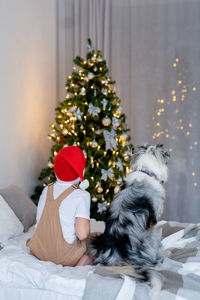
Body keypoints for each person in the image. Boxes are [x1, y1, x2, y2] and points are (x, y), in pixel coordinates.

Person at [26, 146, 92, 266]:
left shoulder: (47, 189)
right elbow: (82, 234)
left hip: (40, 250)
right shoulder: (82, 195)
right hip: (65, 256)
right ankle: (82, 261)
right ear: (80, 171)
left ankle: (37, 253)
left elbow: (40, 221)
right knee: (94, 241)